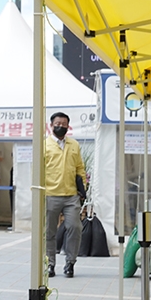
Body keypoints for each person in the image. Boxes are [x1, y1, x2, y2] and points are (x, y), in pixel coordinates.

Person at [44, 111, 87, 278]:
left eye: (64, 124)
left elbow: (80, 168)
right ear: (51, 125)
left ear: (68, 127)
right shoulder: (44, 145)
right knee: (49, 232)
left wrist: (82, 188)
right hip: (50, 194)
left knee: (75, 228)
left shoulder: (74, 145)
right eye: (57, 124)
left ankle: (70, 263)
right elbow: (38, 170)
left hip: (71, 195)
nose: (60, 126)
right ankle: (50, 264)